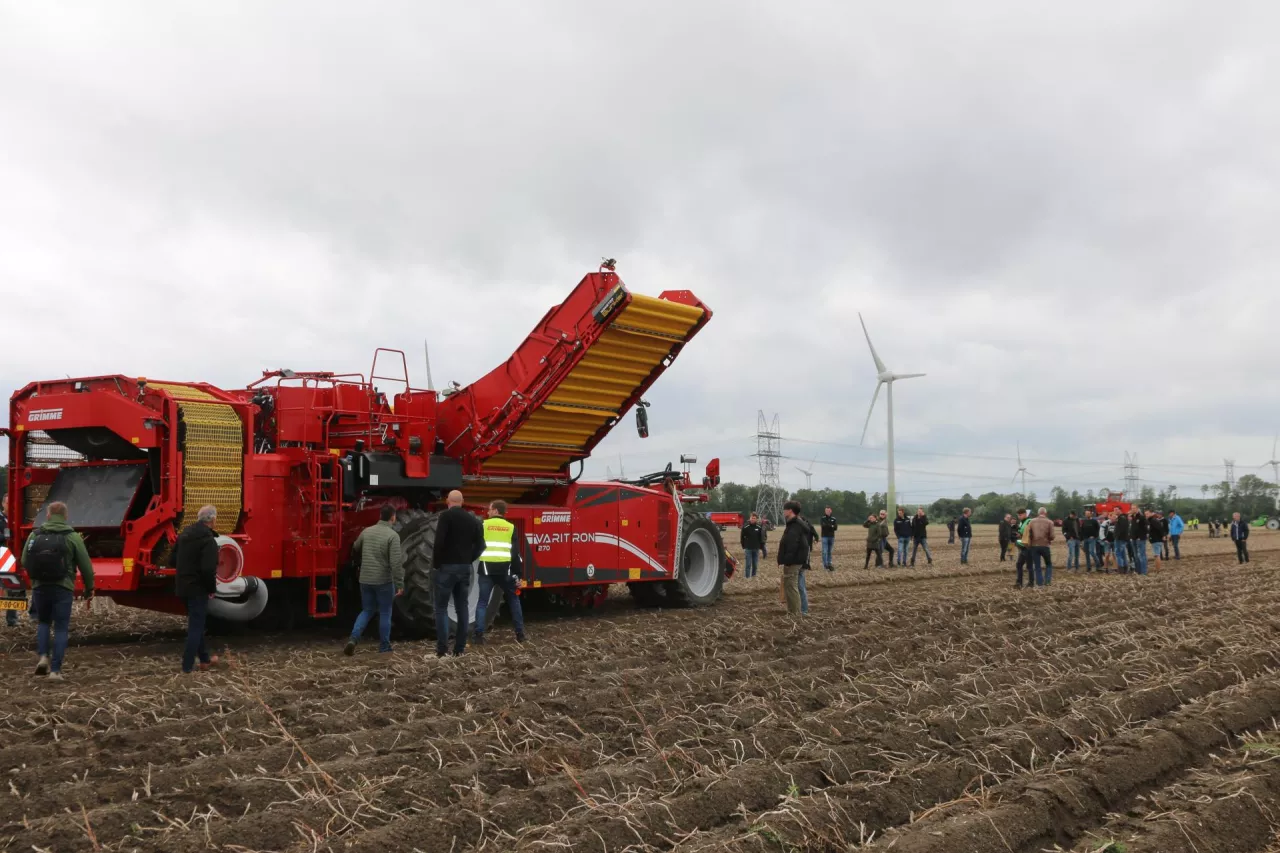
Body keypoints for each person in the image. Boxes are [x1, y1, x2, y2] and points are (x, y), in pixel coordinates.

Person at [21, 501, 94, 680]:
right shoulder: (73, 537)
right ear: (65, 516)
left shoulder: (34, 535)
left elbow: (24, 560)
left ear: (48, 515)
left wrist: (36, 578)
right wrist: (89, 587)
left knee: (44, 622)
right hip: (63, 587)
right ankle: (55, 671)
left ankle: (43, 657)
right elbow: (86, 566)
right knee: (61, 628)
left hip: (40, 586)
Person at [343, 505, 405, 656]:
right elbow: (395, 563)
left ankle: (353, 638)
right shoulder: (392, 536)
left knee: (367, 610)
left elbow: (355, 548)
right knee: (385, 612)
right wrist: (399, 584)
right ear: (393, 517)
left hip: (365, 579)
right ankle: (384, 646)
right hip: (384, 581)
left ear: (380, 516)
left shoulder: (366, 531)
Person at [432, 490, 485, 657]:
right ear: (462, 502)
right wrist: (469, 559)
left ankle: (442, 650)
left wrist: (437, 564)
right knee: (462, 607)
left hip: (447, 568)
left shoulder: (445, 517)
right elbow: (481, 546)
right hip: (464, 569)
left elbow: (439, 543)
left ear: (448, 501)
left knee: (441, 608)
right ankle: (459, 649)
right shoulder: (472, 519)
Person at [174, 505, 223, 672]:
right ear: (213, 520)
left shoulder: (184, 534)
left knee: (197, 623)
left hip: (182, 587)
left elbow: (172, 560)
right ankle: (187, 666)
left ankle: (205, 660)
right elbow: (208, 570)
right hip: (197, 589)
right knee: (196, 627)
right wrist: (211, 588)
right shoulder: (208, 541)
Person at [472, 500, 527, 645]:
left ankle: (478, 636)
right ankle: (520, 634)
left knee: (482, 602)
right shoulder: (511, 527)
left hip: (486, 571)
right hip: (505, 571)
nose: (488, 512)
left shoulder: (483, 525)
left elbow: (476, 547)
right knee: (514, 600)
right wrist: (519, 575)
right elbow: (515, 554)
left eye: (490, 509)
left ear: (496, 511)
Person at [776, 501, 809, 615]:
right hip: (797, 560)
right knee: (794, 586)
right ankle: (796, 611)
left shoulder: (794, 525)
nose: (783, 511)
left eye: (785, 509)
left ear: (790, 511)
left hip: (794, 561)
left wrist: (787, 561)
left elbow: (792, 545)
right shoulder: (795, 524)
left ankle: (795, 613)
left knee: (791, 587)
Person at [1026, 508, 1055, 587]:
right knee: (1048, 564)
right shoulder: (1050, 522)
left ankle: (1039, 583)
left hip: (1034, 546)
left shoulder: (1031, 521)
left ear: (1038, 513)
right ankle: (1047, 581)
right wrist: (1048, 539)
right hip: (1045, 545)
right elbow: (1052, 536)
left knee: (1037, 565)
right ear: (1045, 513)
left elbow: (1029, 534)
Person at [739, 513, 767, 579]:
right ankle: (747, 577)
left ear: (756, 519)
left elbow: (762, 537)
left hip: (756, 548)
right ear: (750, 518)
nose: (752, 519)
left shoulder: (759, 527)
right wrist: (744, 546)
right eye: (752, 518)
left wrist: (762, 546)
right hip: (748, 548)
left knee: (755, 564)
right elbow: (742, 537)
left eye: (754, 518)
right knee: (748, 564)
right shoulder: (746, 527)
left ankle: (754, 576)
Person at [1012, 509, 1032, 588]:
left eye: (1020, 515)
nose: (1019, 517)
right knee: (1019, 564)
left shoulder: (1029, 521)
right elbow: (1021, 531)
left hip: (1028, 547)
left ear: (1025, 514)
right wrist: (1018, 534)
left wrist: (1021, 535)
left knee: (1029, 566)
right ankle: (1019, 582)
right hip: (1023, 546)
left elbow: (1029, 533)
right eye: (1018, 515)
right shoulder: (1021, 522)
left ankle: (1031, 583)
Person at [819, 507, 838, 572]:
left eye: (828, 510)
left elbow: (835, 528)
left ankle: (829, 564)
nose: (827, 512)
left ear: (831, 511)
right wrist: (831, 526)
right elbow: (823, 526)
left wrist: (829, 525)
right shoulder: (822, 518)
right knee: (824, 551)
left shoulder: (834, 518)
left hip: (831, 537)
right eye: (826, 511)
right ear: (825, 511)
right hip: (824, 537)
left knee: (829, 551)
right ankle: (825, 565)